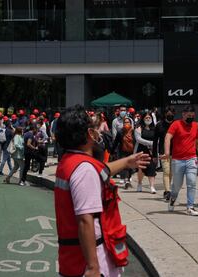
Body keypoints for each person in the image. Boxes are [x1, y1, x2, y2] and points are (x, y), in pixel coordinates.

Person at [54, 104, 149, 277]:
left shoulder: (70, 161)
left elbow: (100, 170)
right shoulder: (84, 170)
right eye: (93, 127)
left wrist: (127, 162)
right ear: (89, 134)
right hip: (90, 261)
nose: (98, 131)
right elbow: (85, 220)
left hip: (72, 257)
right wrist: (93, 267)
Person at [163, 105, 198, 216]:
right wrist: (167, 152)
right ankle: (173, 198)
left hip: (191, 158)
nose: (190, 118)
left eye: (192, 116)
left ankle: (190, 207)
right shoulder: (176, 124)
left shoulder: (195, 126)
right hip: (177, 160)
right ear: (183, 114)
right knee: (177, 185)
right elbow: (167, 137)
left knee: (192, 182)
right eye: (188, 116)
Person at [152, 106, 175, 200]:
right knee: (166, 171)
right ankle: (167, 191)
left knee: (171, 173)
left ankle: (167, 189)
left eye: (171, 113)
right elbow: (155, 141)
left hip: (175, 152)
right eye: (168, 113)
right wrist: (154, 155)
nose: (170, 115)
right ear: (165, 114)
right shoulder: (159, 125)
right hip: (163, 152)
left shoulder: (176, 124)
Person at [135, 111, 157, 193]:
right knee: (141, 168)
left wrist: (154, 145)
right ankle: (139, 183)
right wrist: (150, 143)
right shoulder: (139, 127)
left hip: (152, 151)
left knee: (152, 168)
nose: (148, 119)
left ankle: (152, 186)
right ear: (143, 119)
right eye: (146, 118)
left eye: (149, 118)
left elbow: (157, 138)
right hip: (142, 151)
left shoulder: (154, 128)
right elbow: (138, 139)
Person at [112, 118, 135, 189]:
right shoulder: (120, 132)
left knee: (131, 166)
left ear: (131, 123)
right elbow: (116, 142)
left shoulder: (134, 132)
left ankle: (128, 178)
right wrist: (112, 151)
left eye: (128, 122)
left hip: (132, 151)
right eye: (125, 122)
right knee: (125, 166)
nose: (126, 124)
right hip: (123, 151)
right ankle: (126, 180)